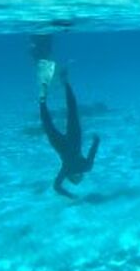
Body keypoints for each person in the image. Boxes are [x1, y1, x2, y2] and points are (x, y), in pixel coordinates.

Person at [39, 64, 100, 198]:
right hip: (61, 145)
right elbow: (57, 187)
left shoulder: (85, 167)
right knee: (47, 122)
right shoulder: (66, 171)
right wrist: (70, 196)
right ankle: (44, 94)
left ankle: (63, 82)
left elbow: (92, 152)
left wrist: (96, 141)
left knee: (72, 111)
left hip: (73, 142)